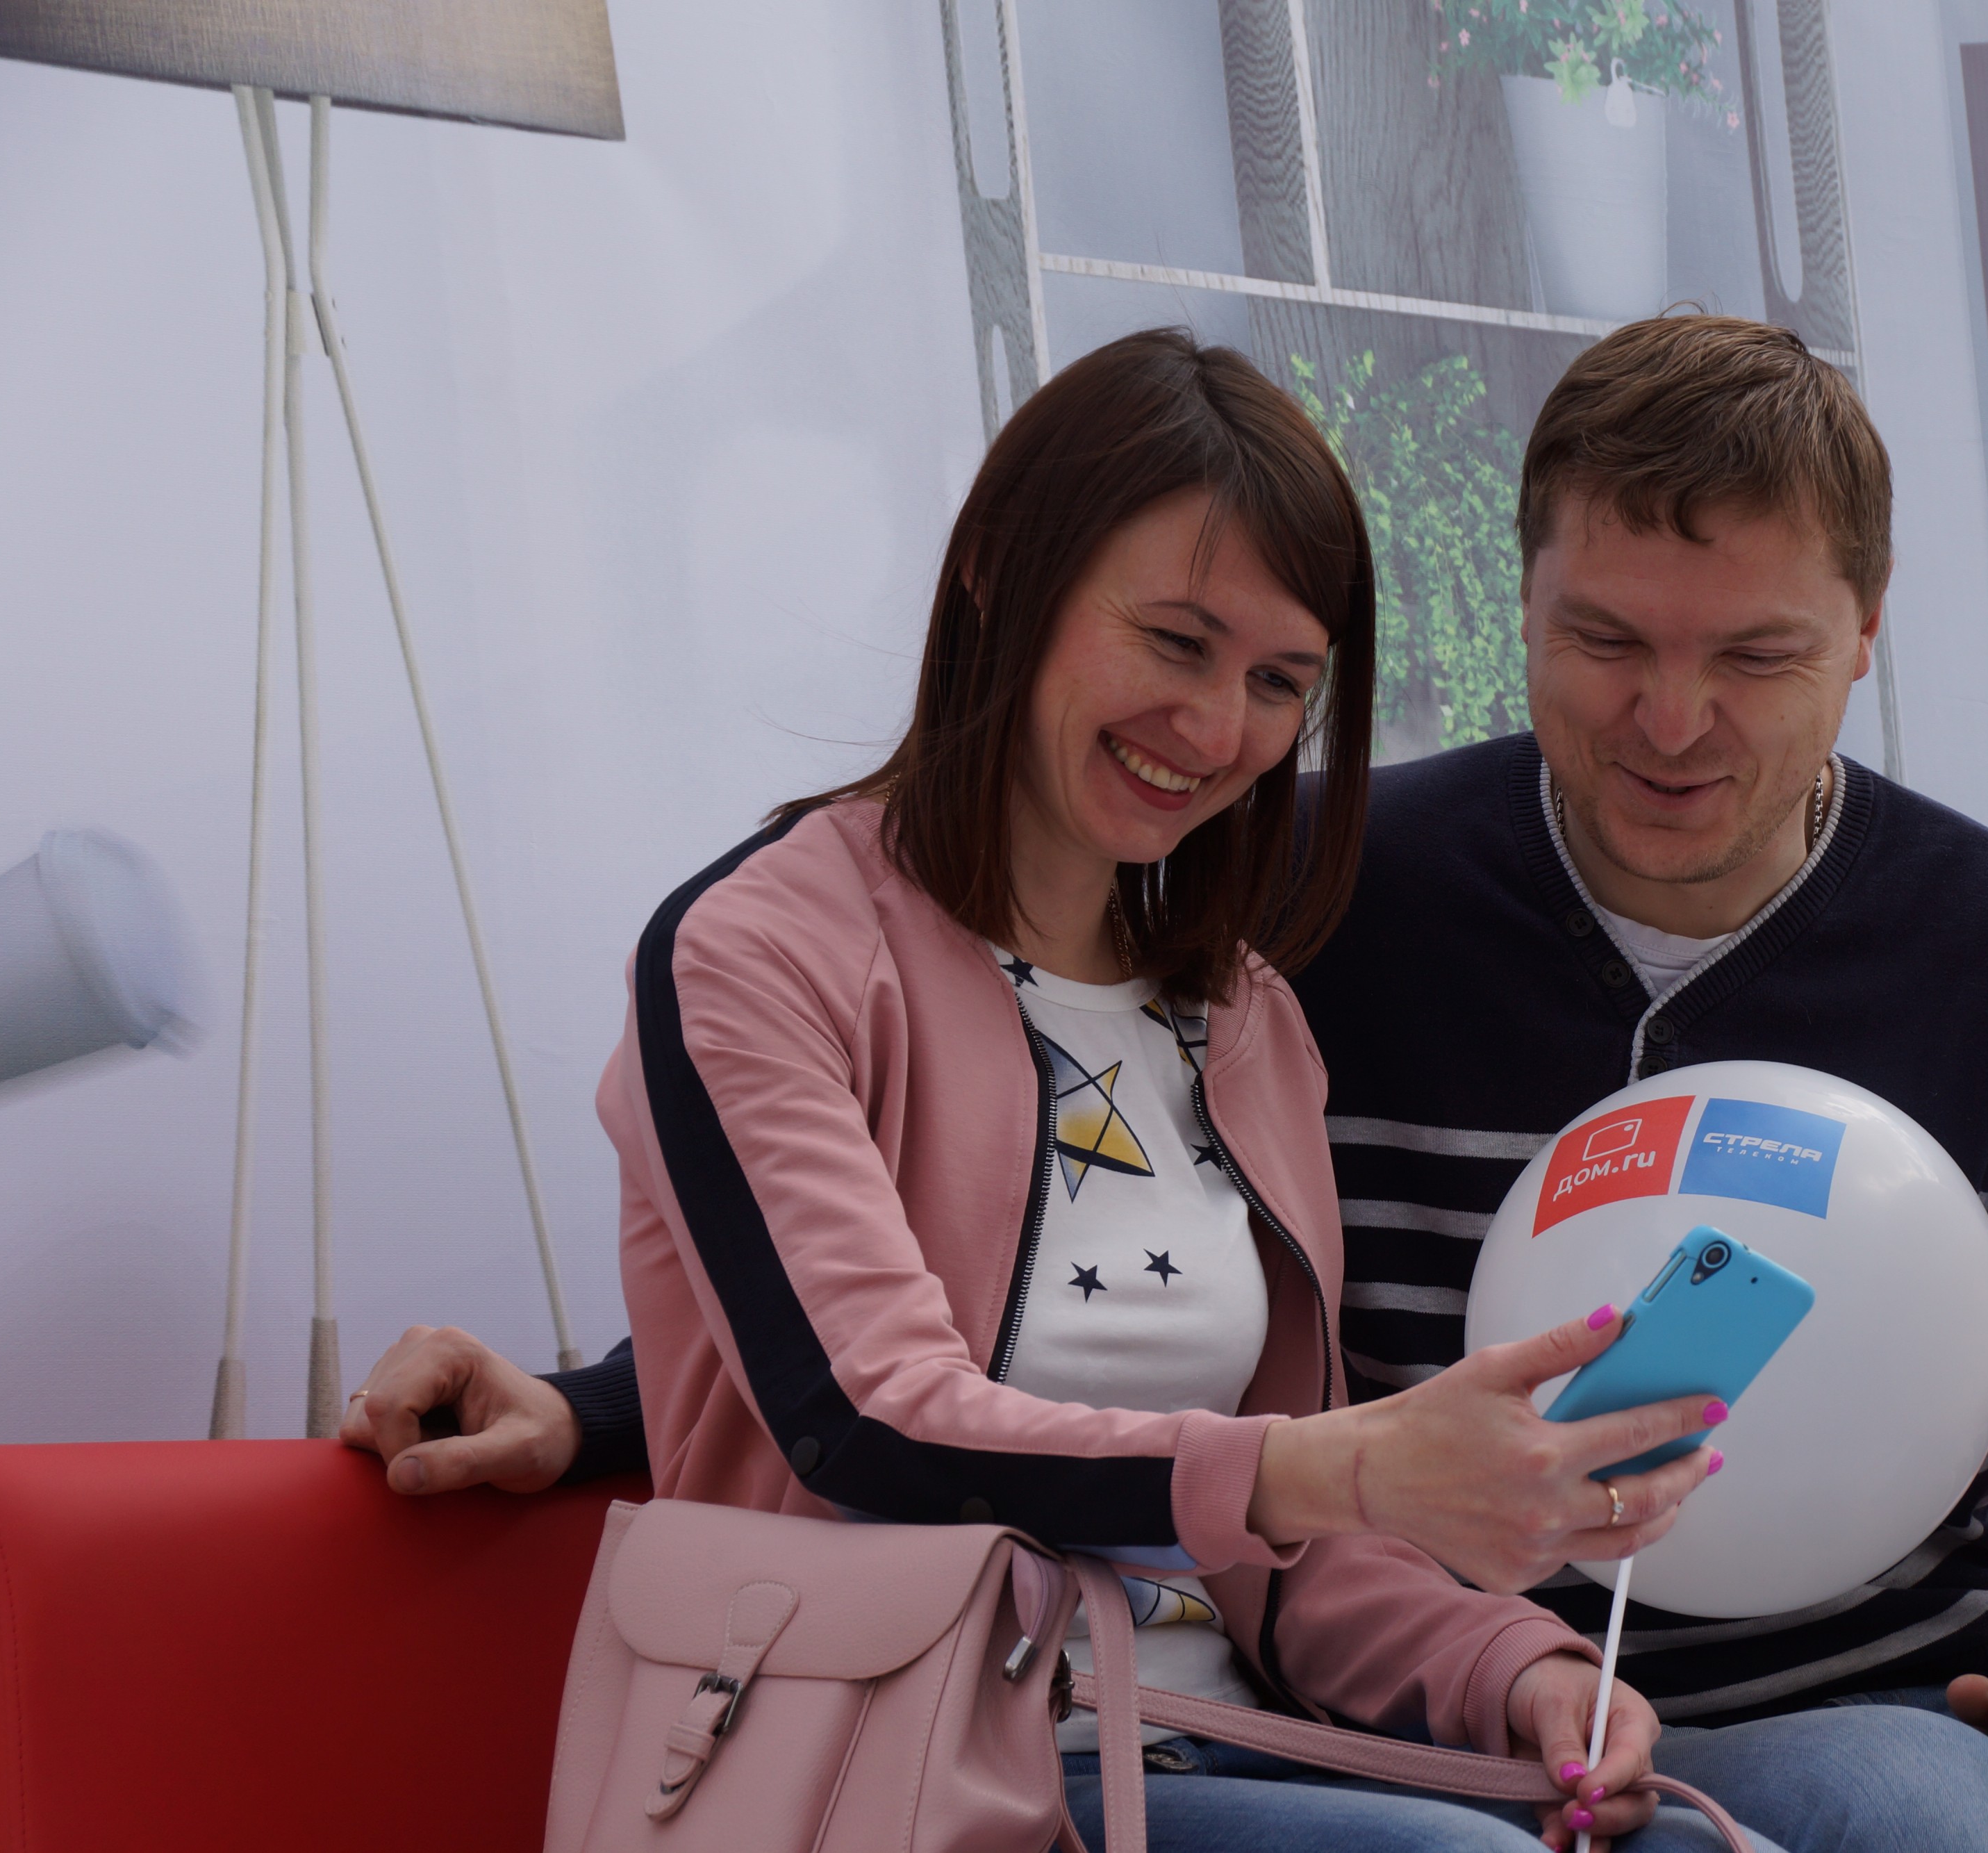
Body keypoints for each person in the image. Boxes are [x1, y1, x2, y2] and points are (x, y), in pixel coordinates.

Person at [355, 317, 1988, 1852]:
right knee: (1924, 1822)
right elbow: (950, 1297)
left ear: (1866, 639)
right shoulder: (1311, 906)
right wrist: (613, 1390)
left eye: (1755, 655)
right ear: (1522, 606)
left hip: (1961, 1677)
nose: (1671, 718)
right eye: (1604, 638)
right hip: (1558, 1712)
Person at [353, 325, 1773, 1852]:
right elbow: (870, 1422)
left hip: (1210, 1759)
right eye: (1174, 642)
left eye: (1277, 680)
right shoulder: (759, 951)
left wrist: (1520, 1674)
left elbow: (1282, 1547)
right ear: (998, 572)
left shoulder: (1243, 1020)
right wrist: (1354, 1462)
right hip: (890, 1779)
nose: (1216, 729)